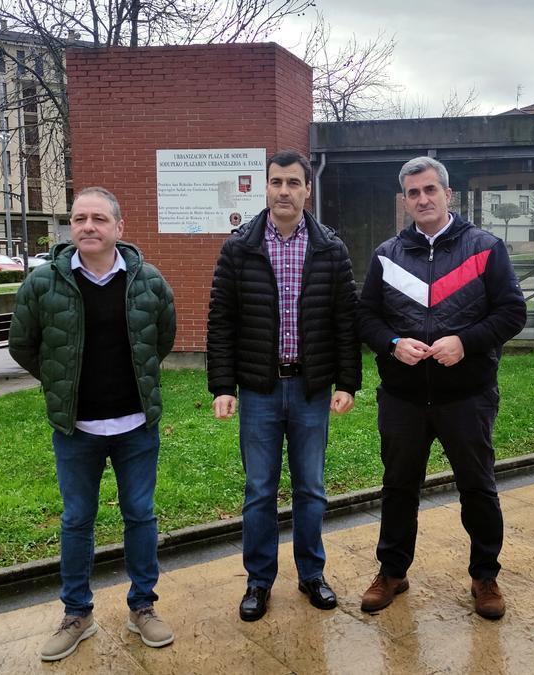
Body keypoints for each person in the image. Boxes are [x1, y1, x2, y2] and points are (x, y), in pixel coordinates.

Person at [9, 187, 177, 661]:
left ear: (119, 228)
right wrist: (61, 383)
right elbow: (23, 344)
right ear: (71, 227)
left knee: (140, 514)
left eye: (99, 218)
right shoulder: (43, 283)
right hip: (76, 429)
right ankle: (77, 614)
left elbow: (162, 336)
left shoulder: (148, 281)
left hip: (135, 426)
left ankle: (142, 606)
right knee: (77, 520)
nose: (88, 226)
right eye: (79, 218)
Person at [356, 156, 526, 620]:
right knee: (397, 488)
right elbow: (365, 317)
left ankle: (485, 575)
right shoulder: (387, 255)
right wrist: (392, 343)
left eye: (430, 190)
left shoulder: (485, 248)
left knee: (477, 488)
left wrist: (465, 342)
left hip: (466, 397)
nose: (422, 199)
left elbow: (512, 313)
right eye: (413, 193)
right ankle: (392, 572)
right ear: (405, 200)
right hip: (404, 398)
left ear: (448, 194)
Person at [207, 150, 361, 621]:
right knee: (259, 490)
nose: (284, 191)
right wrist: (223, 386)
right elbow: (222, 321)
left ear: (307, 190)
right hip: (258, 390)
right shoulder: (240, 247)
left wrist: (347, 382)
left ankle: (312, 574)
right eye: (276, 182)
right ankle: (259, 581)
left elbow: (345, 321)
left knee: (311, 489)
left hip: (312, 390)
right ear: (265, 187)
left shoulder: (330, 248)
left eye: (294, 183)